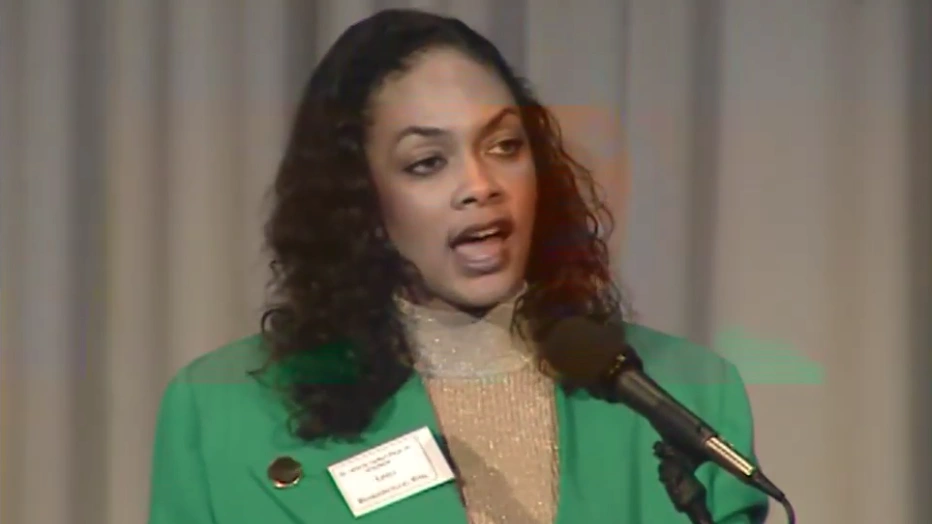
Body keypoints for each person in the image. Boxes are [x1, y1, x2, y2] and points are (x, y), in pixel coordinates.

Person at [148, 8, 769, 524]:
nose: (480, 184)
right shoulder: (219, 412)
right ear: (359, 197)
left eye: (504, 146)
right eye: (426, 162)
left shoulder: (689, 392)